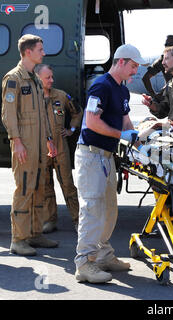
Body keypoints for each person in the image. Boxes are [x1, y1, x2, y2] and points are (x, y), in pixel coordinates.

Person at [74, 43, 146, 284]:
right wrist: (120, 135)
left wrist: (138, 140)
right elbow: (92, 122)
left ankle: (103, 255)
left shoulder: (122, 91)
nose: (135, 72)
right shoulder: (101, 86)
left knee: (109, 210)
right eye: (134, 66)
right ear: (121, 61)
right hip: (92, 155)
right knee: (92, 209)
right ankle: (84, 263)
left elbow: (126, 123)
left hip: (106, 157)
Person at [1, 34, 58, 256]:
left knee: (38, 189)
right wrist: (17, 142)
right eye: (40, 49)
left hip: (39, 144)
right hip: (24, 143)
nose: (43, 53)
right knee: (24, 188)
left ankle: (35, 234)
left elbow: (42, 113)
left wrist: (49, 139)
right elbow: (8, 114)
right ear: (27, 52)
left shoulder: (34, 78)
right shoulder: (14, 78)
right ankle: (19, 239)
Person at [35, 64, 83, 233]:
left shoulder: (61, 96)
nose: (51, 80)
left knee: (68, 185)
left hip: (60, 147)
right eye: (47, 77)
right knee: (46, 186)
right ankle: (50, 220)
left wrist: (71, 129)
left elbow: (77, 112)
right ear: (38, 78)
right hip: (41, 149)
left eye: (52, 77)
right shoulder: (32, 99)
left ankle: (78, 220)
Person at [142, 35, 173, 102]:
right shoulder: (162, 60)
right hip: (170, 98)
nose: (169, 47)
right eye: (166, 45)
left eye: (172, 44)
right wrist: (154, 96)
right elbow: (145, 78)